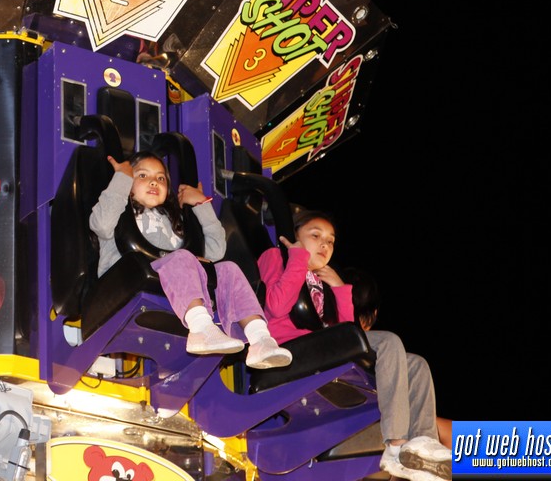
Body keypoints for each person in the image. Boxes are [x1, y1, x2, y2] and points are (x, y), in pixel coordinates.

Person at [257, 210, 451, 481]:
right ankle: (396, 446)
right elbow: (276, 306)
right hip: (294, 347)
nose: (324, 245)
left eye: (330, 241)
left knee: (416, 364)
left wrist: (338, 287)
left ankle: (422, 449)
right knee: (389, 341)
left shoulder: (322, 279)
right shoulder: (277, 257)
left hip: (324, 347)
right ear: (294, 236)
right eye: (316, 236)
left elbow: (348, 333)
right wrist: (297, 257)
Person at [89, 151, 292, 369]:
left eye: (161, 178)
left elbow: (215, 250)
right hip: (127, 280)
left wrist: (201, 204)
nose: (153, 182)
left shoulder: (172, 222)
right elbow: (100, 224)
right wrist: (121, 178)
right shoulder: (119, 212)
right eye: (142, 175)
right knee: (182, 257)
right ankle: (201, 328)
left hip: (175, 283)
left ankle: (260, 339)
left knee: (229, 269)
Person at [345, 266, 453, 452]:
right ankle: (396, 441)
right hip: (336, 345)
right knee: (389, 341)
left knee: (417, 363)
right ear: (373, 314)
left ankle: (424, 445)